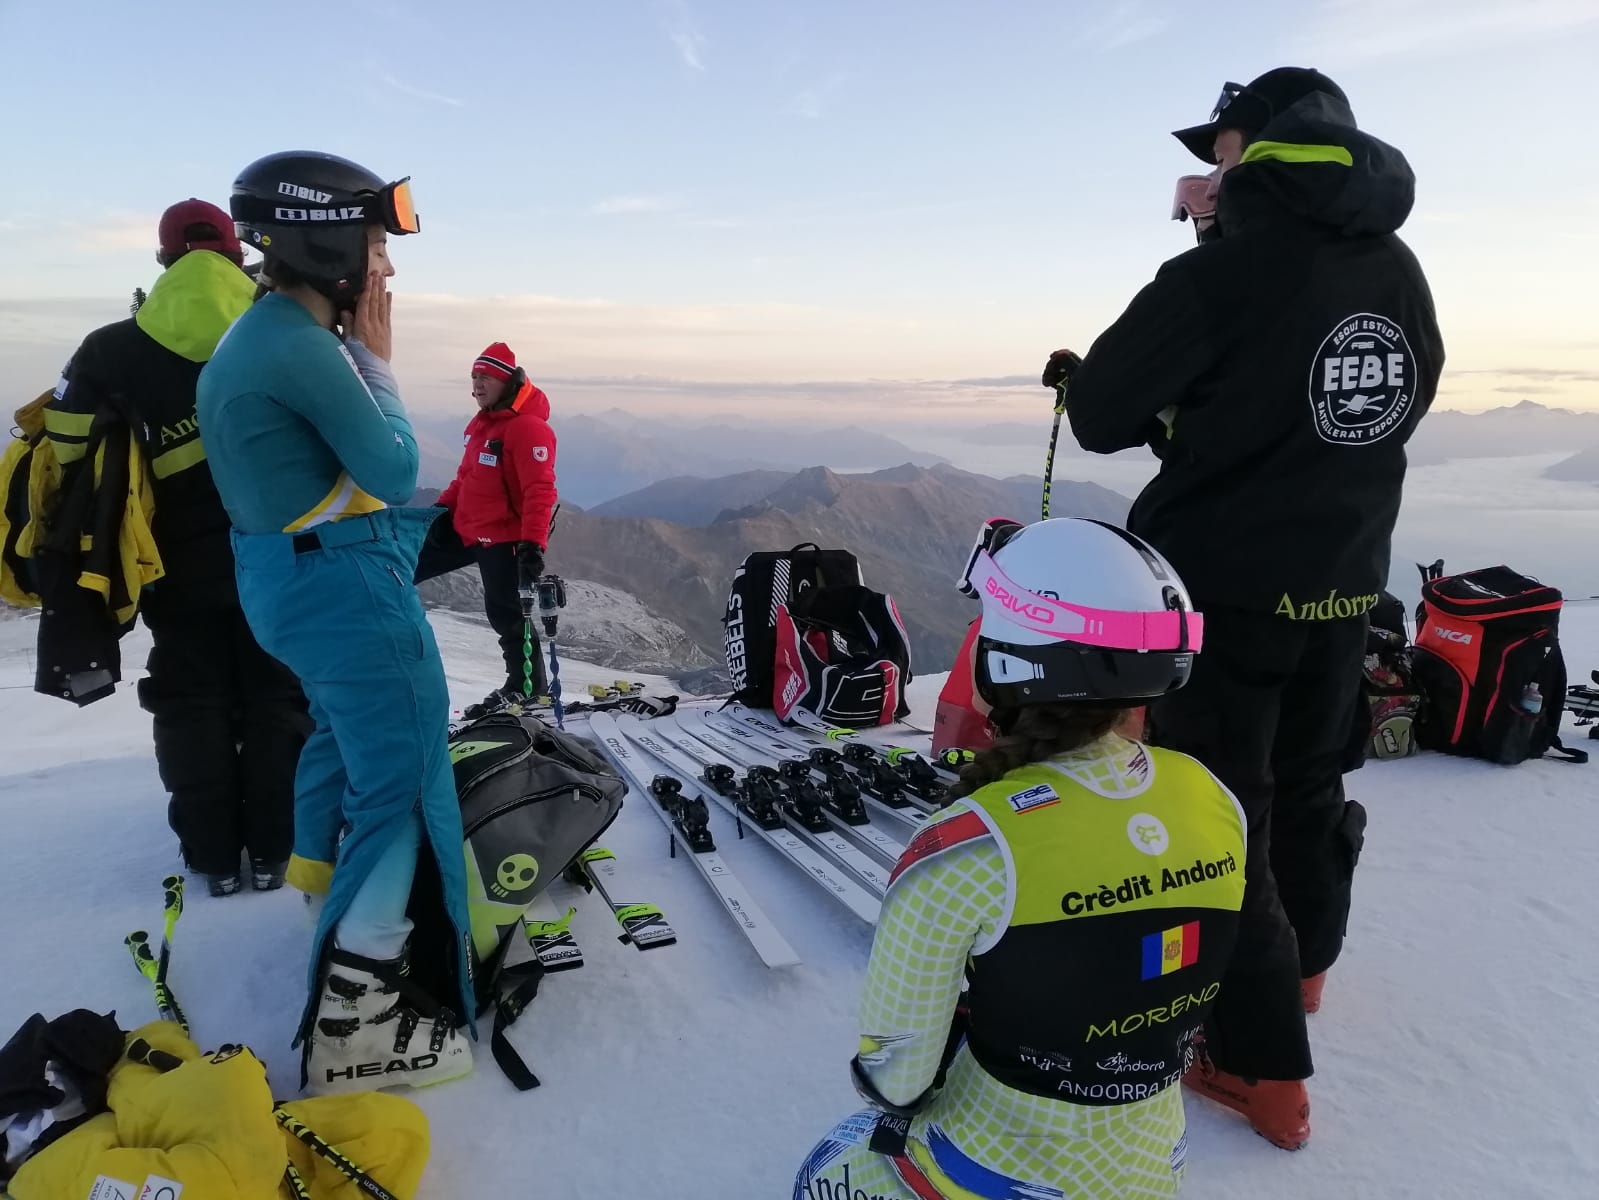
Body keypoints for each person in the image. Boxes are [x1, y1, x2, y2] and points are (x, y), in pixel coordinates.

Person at [1045, 67, 1445, 1148]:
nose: (1202, 175)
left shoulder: (1226, 272)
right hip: (1349, 578)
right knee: (1311, 782)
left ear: (1256, 150)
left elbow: (1102, 411)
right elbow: (1376, 402)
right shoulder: (1397, 267)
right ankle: (1307, 971)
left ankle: (1264, 1070)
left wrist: (1120, 363)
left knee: (1225, 814)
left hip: (1220, 586)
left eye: (1216, 151)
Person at [795, 516, 1246, 1200]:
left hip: (1003, 1167)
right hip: (1155, 1160)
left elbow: (896, 1078)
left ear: (1011, 658)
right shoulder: (1212, 798)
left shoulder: (964, 848)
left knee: (822, 1171)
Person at [196, 151, 473, 1093]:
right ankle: (360, 1011)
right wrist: (380, 364)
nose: (386, 268)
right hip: (342, 590)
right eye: (375, 244)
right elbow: (394, 469)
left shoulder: (267, 332)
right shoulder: (299, 345)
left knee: (346, 748)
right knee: (400, 774)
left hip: (292, 584)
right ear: (324, 242)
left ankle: (323, 894)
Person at [51, 199, 311, 897]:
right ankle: (274, 852)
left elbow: (67, 451)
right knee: (276, 693)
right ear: (236, 254)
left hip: (168, 564)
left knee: (190, 697)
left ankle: (212, 859)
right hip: (278, 556)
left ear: (164, 260)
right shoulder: (286, 325)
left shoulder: (110, 349)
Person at [415, 341, 558, 716]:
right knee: (404, 567)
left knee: (507, 612)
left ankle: (528, 688)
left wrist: (532, 545)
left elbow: (539, 490)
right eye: (474, 377)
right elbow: (466, 478)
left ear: (505, 381)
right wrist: (441, 511)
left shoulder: (528, 428)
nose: (477, 385)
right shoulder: (482, 424)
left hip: (506, 537)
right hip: (468, 528)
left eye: (485, 378)